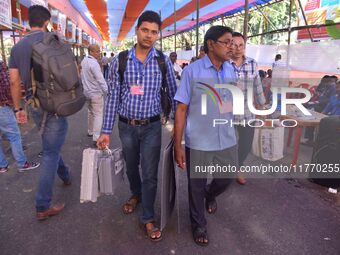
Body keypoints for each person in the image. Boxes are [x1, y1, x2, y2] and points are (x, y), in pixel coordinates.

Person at [96, 10, 177, 242]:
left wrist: (178, 126)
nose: (149, 36)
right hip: (127, 127)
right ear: (137, 31)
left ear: (157, 35)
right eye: (145, 30)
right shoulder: (120, 61)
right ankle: (136, 194)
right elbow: (112, 98)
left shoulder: (162, 62)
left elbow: (173, 94)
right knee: (132, 167)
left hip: (152, 127)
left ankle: (148, 217)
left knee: (150, 173)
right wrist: (105, 131)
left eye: (154, 32)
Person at [174, 25, 238, 246]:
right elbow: (181, 109)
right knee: (196, 185)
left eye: (233, 42)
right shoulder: (192, 71)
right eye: (227, 42)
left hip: (227, 138)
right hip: (199, 141)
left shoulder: (231, 70)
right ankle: (198, 224)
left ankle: (211, 194)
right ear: (211, 44)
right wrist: (178, 145)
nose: (231, 47)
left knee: (227, 177)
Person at [9, 5, 71, 221]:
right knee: (51, 151)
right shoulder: (53, 40)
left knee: (50, 143)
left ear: (28, 22)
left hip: (33, 104)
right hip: (55, 104)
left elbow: (14, 81)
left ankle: (65, 175)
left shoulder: (17, 48)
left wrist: (18, 109)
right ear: (47, 22)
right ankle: (42, 205)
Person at [230, 32, 266, 185]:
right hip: (227, 114)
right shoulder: (224, 64)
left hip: (247, 113)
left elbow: (257, 85)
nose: (238, 49)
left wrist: (262, 105)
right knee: (228, 146)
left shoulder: (252, 63)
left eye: (241, 45)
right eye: (234, 45)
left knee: (245, 144)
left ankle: (237, 167)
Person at [0, 60, 40, 173]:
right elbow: (9, 85)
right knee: (14, 136)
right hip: (2, 107)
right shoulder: (0, 66)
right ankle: (22, 164)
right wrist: (16, 105)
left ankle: (2, 166)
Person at [81, 44, 108, 144]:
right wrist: (107, 91)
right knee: (98, 115)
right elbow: (100, 79)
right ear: (91, 52)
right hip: (96, 93)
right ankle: (96, 138)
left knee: (90, 112)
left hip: (86, 92)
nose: (99, 53)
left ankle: (90, 131)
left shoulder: (84, 61)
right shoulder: (94, 63)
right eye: (96, 51)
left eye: (99, 51)